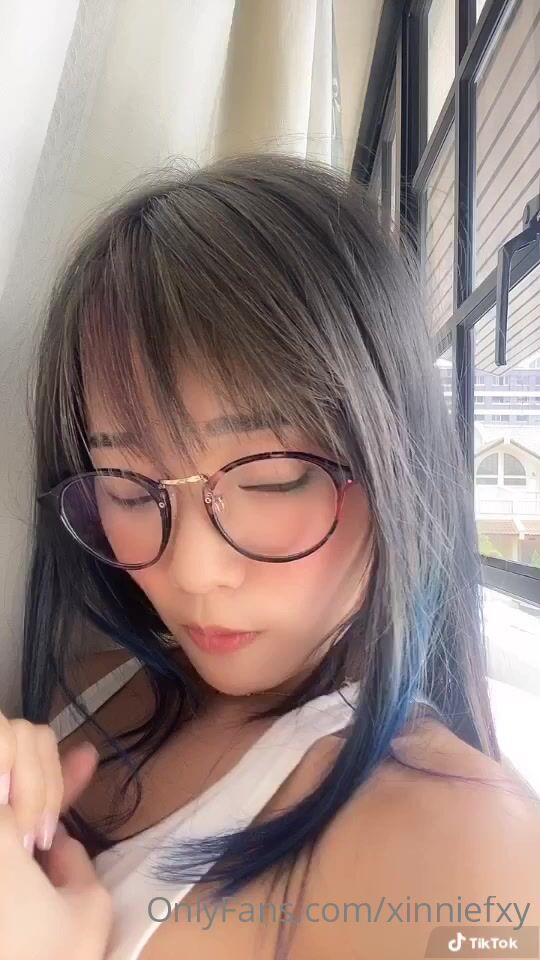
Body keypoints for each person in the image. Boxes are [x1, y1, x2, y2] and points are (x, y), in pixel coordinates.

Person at [1, 154, 538, 959]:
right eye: (126, 487)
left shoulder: (473, 855)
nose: (192, 573)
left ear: (395, 461)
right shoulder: (92, 678)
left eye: (273, 479)